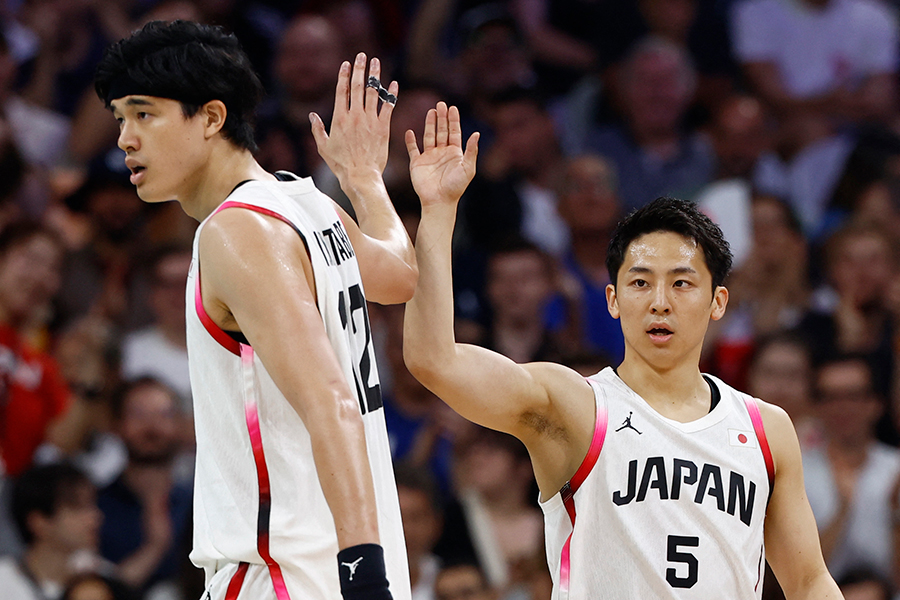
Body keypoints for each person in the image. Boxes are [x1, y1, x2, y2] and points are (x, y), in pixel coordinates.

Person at [402, 102, 840, 597]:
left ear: (718, 301)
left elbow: (808, 582)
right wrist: (438, 213)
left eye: (681, 283)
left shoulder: (767, 428)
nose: (659, 302)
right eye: (639, 282)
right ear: (612, 299)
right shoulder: (574, 406)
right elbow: (432, 359)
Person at [94, 20, 417, 600]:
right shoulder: (304, 201)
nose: (125, 139)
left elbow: (331, 402)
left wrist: (361, 571)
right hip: (331, 562)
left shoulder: (237, 231)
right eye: (120, 118)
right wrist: (365, 181)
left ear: (212, 118)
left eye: (144, 114)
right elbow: (397, 274)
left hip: (288, 573)